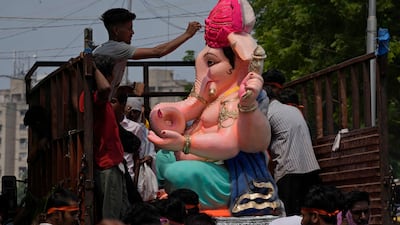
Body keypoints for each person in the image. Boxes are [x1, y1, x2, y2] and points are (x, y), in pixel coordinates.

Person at [93, 8, 201, 99]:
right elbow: (158, 52)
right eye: (129, 28)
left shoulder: (103, 48)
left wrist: (124, 89)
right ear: (116, 30)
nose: (132, 32)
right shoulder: (117, 48)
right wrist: (187, 34)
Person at [263, 69, 321, 216]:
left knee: (289, 218)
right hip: (312, 171)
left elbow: (261, 147)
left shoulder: (267, 113)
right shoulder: (293, 111)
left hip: (289, 174)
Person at [92, 54, 130, 220]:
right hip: (107, 165)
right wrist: (92, 67)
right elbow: (105, 88)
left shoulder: (101, 100)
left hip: (112, 164)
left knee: (119, 213)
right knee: (112, 218)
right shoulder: (95, 98)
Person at [123, 97, 158, 201]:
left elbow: (151, 152)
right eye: (132, 112)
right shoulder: (121, 127)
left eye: (136, 112)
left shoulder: (144, 130)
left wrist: (149, 158)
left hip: (141, 171)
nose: (134, 115)